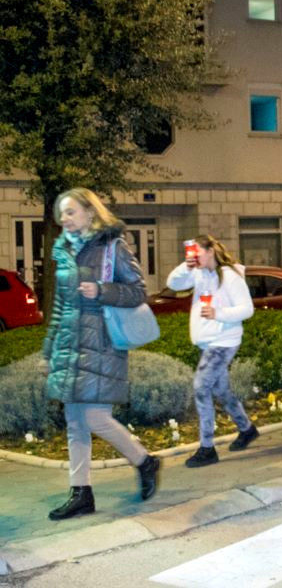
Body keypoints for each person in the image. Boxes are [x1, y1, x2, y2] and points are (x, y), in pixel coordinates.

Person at [43, 188, 160, 520]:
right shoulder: (64, 251)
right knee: (74, 422)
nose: (64, 219)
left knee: (95, 418)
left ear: (90, 212)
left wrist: (102, 291)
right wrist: (50, 348)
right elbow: (60, 306)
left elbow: (138, 291)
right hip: (69, 344)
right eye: (61, 213)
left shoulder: (113, 247)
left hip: (102, 345)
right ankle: (81, 492)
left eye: (70, 212)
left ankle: (144, 461)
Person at [167, 235, 258, 467]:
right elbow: (173, 284)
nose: (194, 256)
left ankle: (207, 448)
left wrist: (219, 314)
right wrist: (185, 266)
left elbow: (247, 309)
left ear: (210, 251)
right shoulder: (198, 273)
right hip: (209, 341)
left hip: (223, 341)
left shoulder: (230, 276)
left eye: (197, 252)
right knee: (221, 390)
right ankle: (247, 429)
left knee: (201, 387)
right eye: (191, 253)